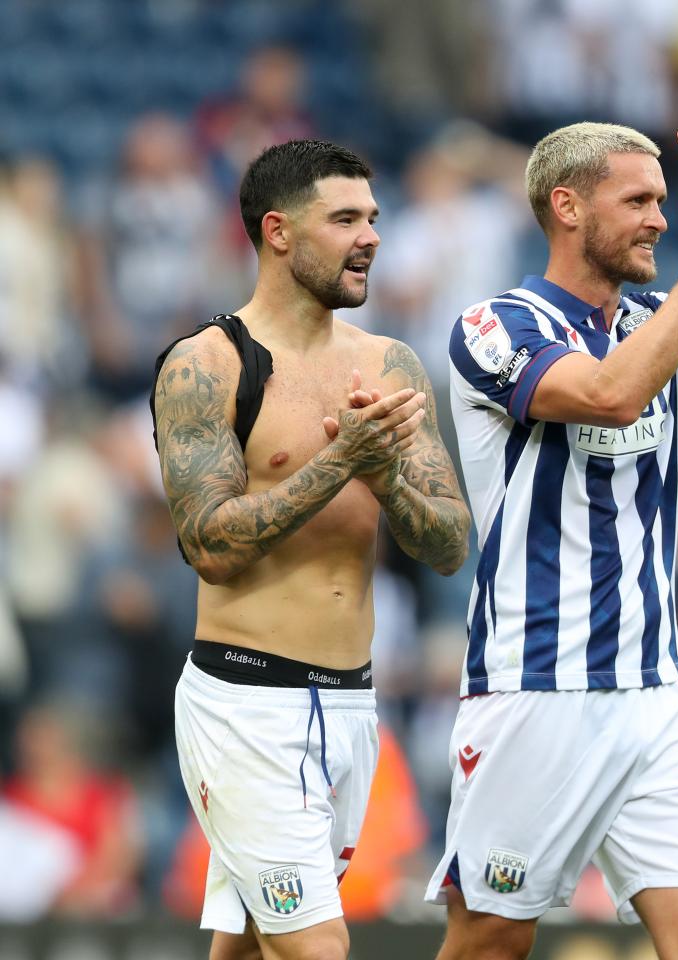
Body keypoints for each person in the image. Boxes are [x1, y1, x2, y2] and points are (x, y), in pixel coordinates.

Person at [424, 110, 678, 960]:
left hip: (655, 692)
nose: (659, 218)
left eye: (666, 200)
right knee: (491, 941)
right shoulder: (494, 326)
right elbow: (609, 395)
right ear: (566, 207)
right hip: (537, 685)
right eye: (638, 199)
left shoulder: (653, 320)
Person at [150, 138, 471, 960]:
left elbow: (447, 544)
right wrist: (340, 465)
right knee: (317, 948)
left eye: (373, 218)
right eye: (345, 219)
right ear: (279, 232)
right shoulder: (208, 364)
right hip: (245, 705)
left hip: (354, 706)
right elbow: (211, 546)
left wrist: (388, 478)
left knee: (256, 945)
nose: (370, 236)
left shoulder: (390, 364)